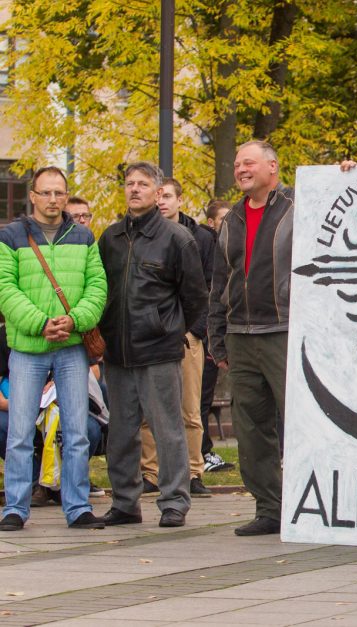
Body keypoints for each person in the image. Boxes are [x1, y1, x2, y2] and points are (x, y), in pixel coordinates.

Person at [208, 141, 355, 536]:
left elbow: (344, 214)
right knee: (252, 428)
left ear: (272, 166)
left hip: (286, 329)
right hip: (241, 334)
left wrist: (346, 175)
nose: (240, 169)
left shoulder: (300, 205)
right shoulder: (231, 219)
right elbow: (220, 280)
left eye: (249, 162)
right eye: (237, 163)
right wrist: (216, 335)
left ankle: (322, 504)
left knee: (303, 422)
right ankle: (269, 509)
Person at [97, 162, 208, 529]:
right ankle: (125, 502)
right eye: (129, 183)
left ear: (158, 192)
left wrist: (173, 329)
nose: (134, 189)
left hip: (158, 348)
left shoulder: (177, 238)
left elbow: (195, 296)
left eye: (143, 184)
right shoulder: (110, 238)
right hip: (117, 349)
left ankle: (174, 501)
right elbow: (101, 291)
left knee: (168, 429)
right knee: (121, 432)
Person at [0, 166, 107, 531]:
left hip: (72, 345)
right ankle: (15, 507)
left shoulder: (83, 237)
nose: (52, 199)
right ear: (32, 196)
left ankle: (77, 507)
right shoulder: (10, 236)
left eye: (59, 193)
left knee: (77, 431)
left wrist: (74, 320)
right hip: (29, 346)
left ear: (66, 195)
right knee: (19, 433)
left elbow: (97, 288)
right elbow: (5, 289)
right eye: (45, 193)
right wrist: (40, 323)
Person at [138, 178, 216, 498]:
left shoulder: (200, 238)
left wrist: (196, 329)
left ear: (180, 200)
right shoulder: (142, 236)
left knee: (190, 409)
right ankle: (151, 472)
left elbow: (211, 286)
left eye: (167, 196)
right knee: (149, 410)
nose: (161, 202)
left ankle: (194, 471)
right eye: (158, 196)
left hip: (187, 335)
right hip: (153, 335)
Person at [199, 200, 234, 473]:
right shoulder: (208, 245)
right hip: (204, 332)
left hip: (217, 331)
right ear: (212, 222)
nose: (228, 223)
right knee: (200, 398)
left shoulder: (231, 244)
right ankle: (202, 453)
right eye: (223, 219)